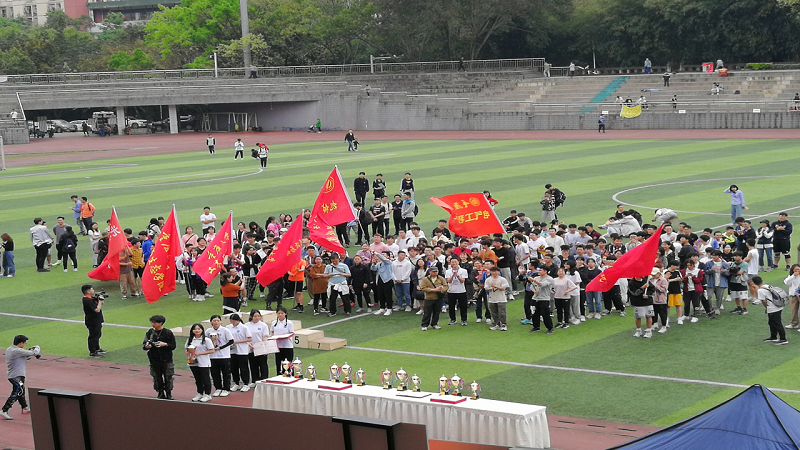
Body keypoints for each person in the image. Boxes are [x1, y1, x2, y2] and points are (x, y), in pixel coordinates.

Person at [1, 335, 40, 420]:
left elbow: (24, 355)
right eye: (25, 343)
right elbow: (34, 353)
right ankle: (4, 410)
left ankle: (24, 407)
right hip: (16, 376)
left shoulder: (10, 349)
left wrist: (28, 352)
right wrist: (37, 347)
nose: (25, 344)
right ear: (21, 343)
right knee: (18, 392)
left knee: (21, 391)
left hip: (15, 375)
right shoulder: (17, 351)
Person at [142, 315, 176, 399]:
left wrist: (165, 344)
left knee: (168, 376)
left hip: (166, 359)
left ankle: (168, 392)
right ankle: (160, 392)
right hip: (154, 359)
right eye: (152, 322)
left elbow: (173, 346)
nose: (152, 324)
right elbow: (144, 345)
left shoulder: (168, 332)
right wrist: (147, 346)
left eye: (155, 322)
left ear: (161, 323)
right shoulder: (149, 332)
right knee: (156, 377)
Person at [754, 276, 788, 345]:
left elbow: (764, 301)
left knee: (777, 323)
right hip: (778, 306)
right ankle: (773, 336)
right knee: (771, 322)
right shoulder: (768, 286)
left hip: (772, 308)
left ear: (754, 283)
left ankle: (783, 339)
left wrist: (766, 308)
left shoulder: (760, 290)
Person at [185, 324, 215, 402]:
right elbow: (187, 351)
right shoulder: (190, 340)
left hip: (204, 362)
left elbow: (212, 350)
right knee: (197, 378)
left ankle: (207, 394)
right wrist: (188, 357)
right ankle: (200, 393)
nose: (197, 330)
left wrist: (199, 354)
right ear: (192, 331)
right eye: (195, 329)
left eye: (199, 329)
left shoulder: (206, 340)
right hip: (193, 362)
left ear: (202, 330)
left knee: (205, 378)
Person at [206, 315, 234, 397]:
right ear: (211, 322)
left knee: (226, 373)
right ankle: (218, 388)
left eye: (218, 320)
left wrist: (220, 348)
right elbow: (205, 341)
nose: (216, 322)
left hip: (224, 355)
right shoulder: (208, 331)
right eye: (214, 321)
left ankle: (226, 388)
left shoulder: (225, 330)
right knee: (215, 373)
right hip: (212, 356)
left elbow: (231, 341)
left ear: (221, 321)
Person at [226, 314, 252, 393]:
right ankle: (236, 383)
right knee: (234, 367)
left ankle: (246, 383)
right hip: (232, 351)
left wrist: (237, 342)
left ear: (238, 320)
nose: (233, 322)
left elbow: (249, 339)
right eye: (231, 321)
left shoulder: (244, 327)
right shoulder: (228, 327)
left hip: (242, 350)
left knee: (243, 367)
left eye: (234, 321)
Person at [245, 309, 270, 384]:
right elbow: (245, 337)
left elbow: (265, 337)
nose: (257, 318)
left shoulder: (263, 325)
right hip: (251, 348)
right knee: (253, 365)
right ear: (251, 317)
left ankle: (264, 380)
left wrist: (264, 347)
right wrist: (250, 344)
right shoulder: (246, 325)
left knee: (263, 365)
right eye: (255, 316)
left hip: (261, 348)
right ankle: (255, 380)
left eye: (258, 316)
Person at [419, 266, 448, 331]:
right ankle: (424, 325)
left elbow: (446, 286)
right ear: (430, 272)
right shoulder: (425, 279)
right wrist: (432, 290)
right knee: (427, 312)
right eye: (434, 271)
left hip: (438, 297)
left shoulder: (441, 278)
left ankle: (434, 324)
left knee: (436, 312)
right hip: (429, 298)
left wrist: (440, 290)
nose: (435, 273)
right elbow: (423, 288)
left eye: (436, 271)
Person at [324, 252, 352, 317]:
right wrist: (329, 275)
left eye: (336, 261)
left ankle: (347, 311)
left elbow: (349, 274)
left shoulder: (344, 266)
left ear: (338, 259)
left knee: (345, 298)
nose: (334, 262)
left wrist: (343, 274)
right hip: (333, 284)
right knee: (332, 299)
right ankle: (332, 311)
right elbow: (324, 275)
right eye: (333, 261)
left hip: (342, 284)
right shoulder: (328, 266)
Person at [82, 284, 106, 358]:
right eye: (92, 289)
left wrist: (99, 300)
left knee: (98, 334)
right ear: (88, 291)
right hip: (92, 321)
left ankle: (97, 348)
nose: (93, 290)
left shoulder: (91, 299)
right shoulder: (87, 300)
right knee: (93, 336)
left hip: (96, 320)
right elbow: (97, 310)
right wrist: (100, 301)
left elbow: (101, 303)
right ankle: (92, 352)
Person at [271, 307, 295, 372]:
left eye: (282, 313)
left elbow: (292, 333)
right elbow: (272, 332)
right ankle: (279, 375)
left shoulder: (289, 323)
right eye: (278, 313)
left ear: (285, 314)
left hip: (287, 346)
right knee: (278, 363)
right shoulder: (274, 323)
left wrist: (285, 336)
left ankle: (289, 375)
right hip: (278, 347)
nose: (280, 315)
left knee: (288, 364)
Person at [784, 266, 800, 330]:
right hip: (793, 295)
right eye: (795, 270)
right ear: (793, 270)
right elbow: (786, 282)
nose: (797, 271)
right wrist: (793, 276)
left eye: (798, 270)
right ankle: (794, 324)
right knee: (794, 310)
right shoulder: (790, 277)